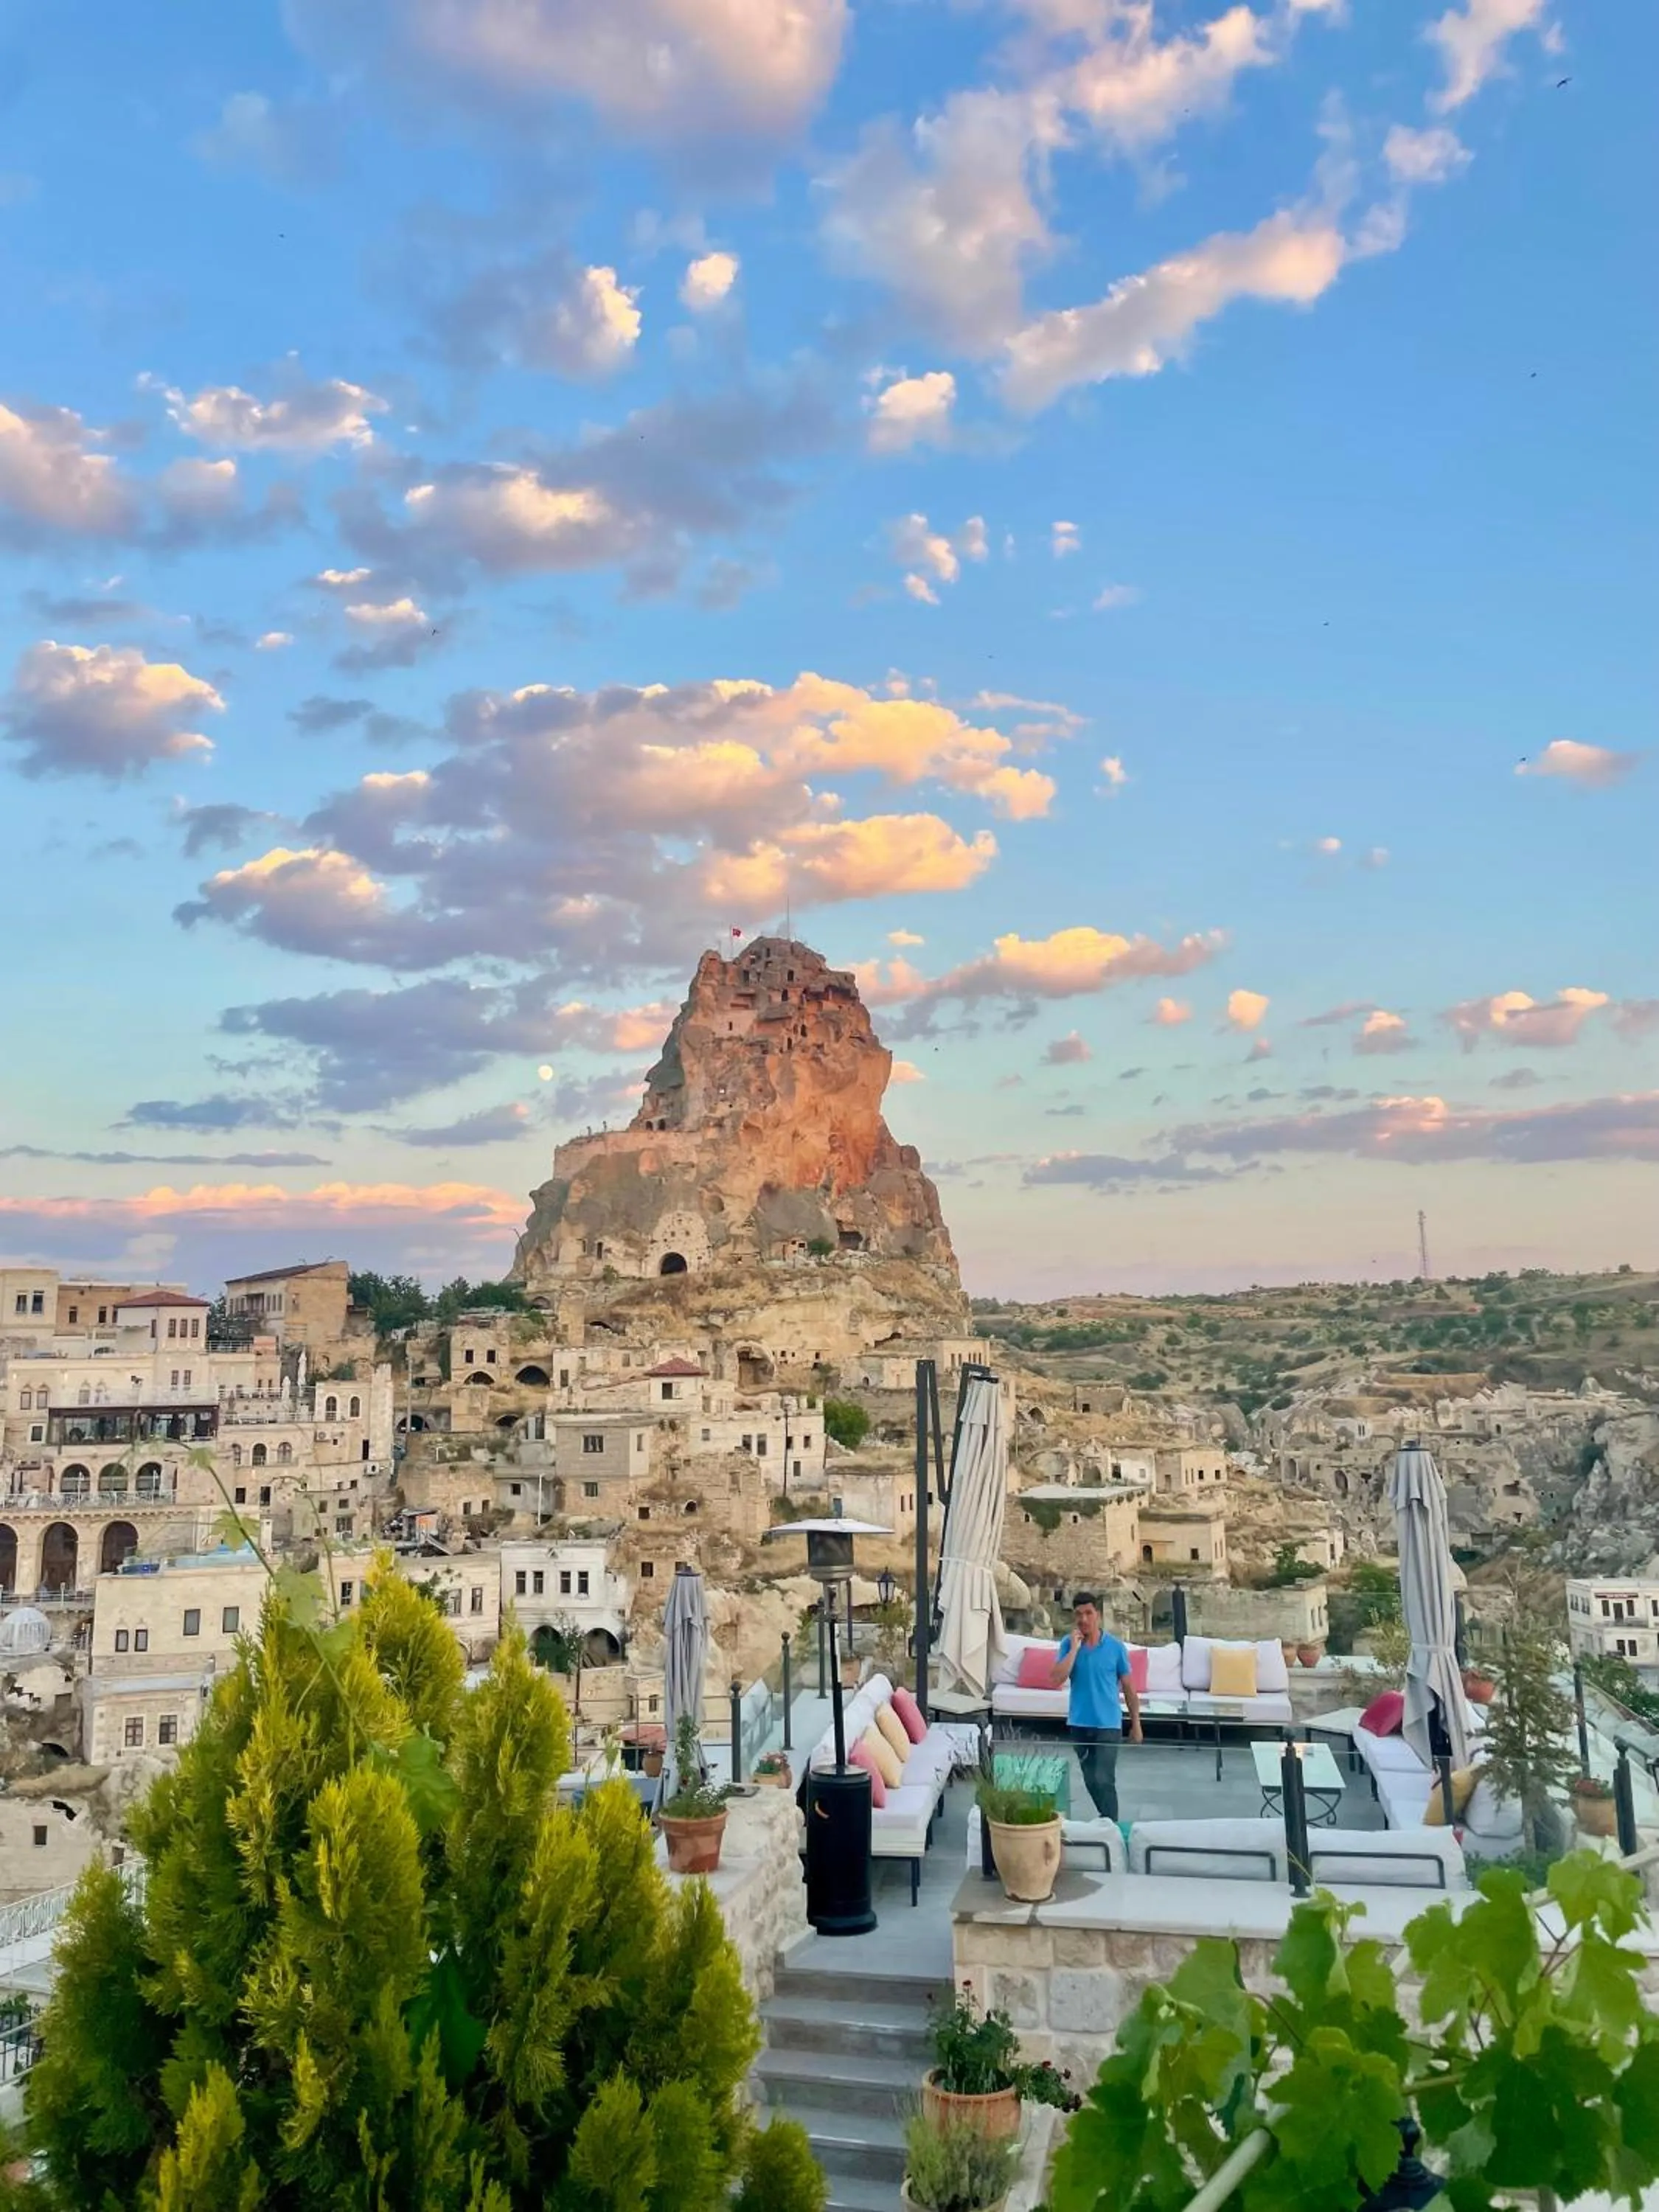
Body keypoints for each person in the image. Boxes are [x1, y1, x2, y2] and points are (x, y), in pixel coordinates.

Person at [1050, 1592, 1141, 1820]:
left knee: (1104, 1778)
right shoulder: (1067, 1644)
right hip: (1079, 1723)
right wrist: (1074, 1650)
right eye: (1079, 1614)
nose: (1083, 1619)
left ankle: (1112, 1827)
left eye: (1089, 1613)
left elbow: (1129, 1688)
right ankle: (1106, 1819)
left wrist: (1136, 1724)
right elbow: (1056, 1679)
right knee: (1091, 1779)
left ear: (1098, 1615)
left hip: (1108, 1724)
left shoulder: (1115, 1647)